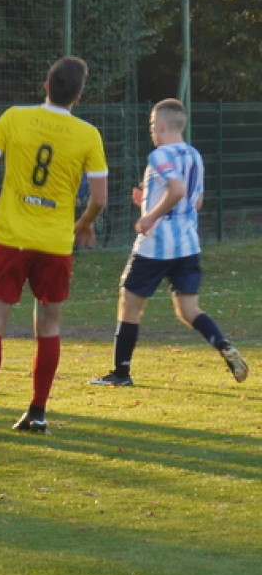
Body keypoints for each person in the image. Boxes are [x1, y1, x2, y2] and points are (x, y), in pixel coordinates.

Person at [0, 56, 108, 437]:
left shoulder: (14, 117)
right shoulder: (88, 134)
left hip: (11, 238)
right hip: (55, 243)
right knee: (50, 325)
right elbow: (101, 198)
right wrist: (84, 223)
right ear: (78, 96)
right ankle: (37, 412)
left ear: (45, 85)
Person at [90, 98, 248, 387]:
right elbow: (195, 201)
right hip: (188, 245)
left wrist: (149, 216)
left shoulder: (160, 156)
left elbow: (176, 190)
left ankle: (121, 373)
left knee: (129, 305)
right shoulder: (194, 156)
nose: (151, 129)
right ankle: (224, 346)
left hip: (156, 247)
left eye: (152, 124)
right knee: (189, 310)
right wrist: (147, 200)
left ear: (160, 125)